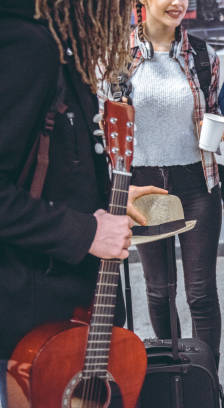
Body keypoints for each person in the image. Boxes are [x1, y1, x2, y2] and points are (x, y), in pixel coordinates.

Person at [0, 0, 165, 406]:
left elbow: (43, 164)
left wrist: (110, 200)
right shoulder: (26, 44)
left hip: (69, 308)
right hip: (31, 325)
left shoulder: (53, 43)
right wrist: (86, 231)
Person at [127, 0, 224, 369]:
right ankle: (172, 377)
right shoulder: (117, 58)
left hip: (196, 183)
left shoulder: (204, 55)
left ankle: (204, 382)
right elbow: (104, 125)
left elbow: (213, 116)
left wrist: (221, 129)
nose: (177, 3)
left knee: (201, 294)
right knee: (159, 291)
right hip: (143, 184)